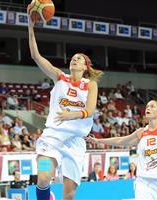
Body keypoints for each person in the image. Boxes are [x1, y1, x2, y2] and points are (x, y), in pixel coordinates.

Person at [27, 3, 103, 199]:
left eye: (79, 59)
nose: (74, 60)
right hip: (52, 138)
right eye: (73, 58)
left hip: (75, 143)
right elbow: (36, 56)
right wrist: (30, 25)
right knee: (43, 178)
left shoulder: (90, 85)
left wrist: (72, 114)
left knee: (69, 195)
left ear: (85, 67)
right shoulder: (59, 77)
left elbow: (90, 110)